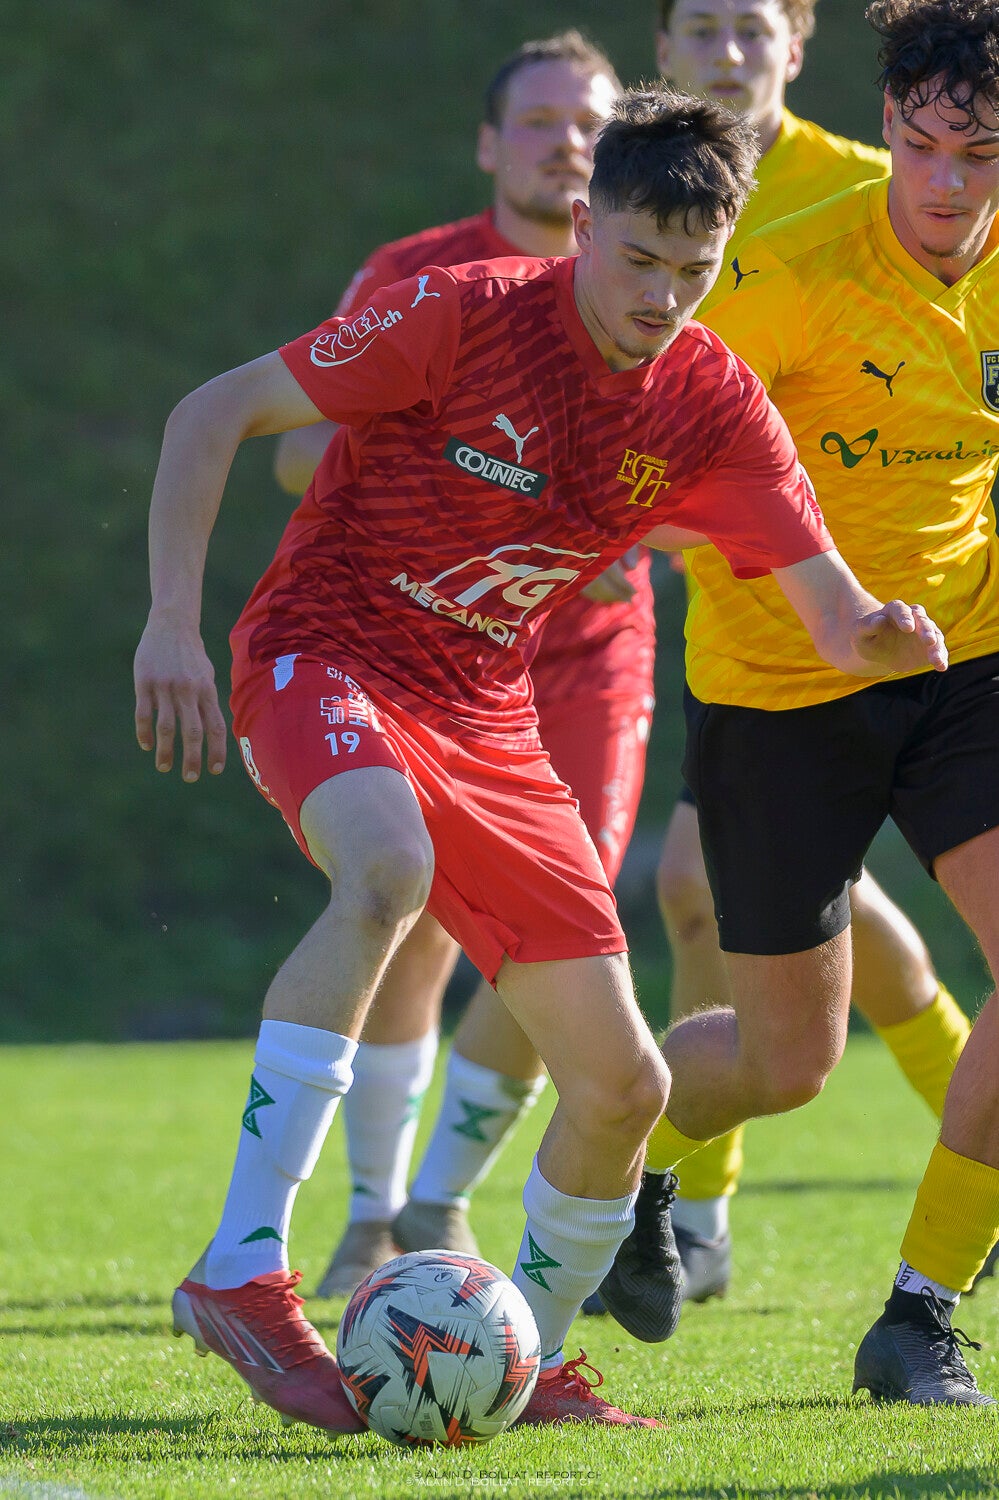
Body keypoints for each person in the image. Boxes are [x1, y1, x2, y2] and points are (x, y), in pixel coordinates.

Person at [134, 86, 946, 1433]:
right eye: (638, 259)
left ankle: (522, 1364)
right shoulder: (457, 313)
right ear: (583, 224)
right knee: (385, 873)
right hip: (326, 653)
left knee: (625, 1086)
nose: (661, 297)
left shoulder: (710, 400)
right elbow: (212, 413)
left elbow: (830, 609)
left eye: (694, 271)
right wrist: (171, 622)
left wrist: (879, 633)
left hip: (483, 715)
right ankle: (240, 1270)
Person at [598, 0, 999, 1403]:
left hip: (966, 670)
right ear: (887, 126)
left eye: (979, 155)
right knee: (784, 1064)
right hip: (780, 693)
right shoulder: (787, 275)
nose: (943, 182)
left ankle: (919, 1313)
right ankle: (637, 1166)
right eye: (921, 146)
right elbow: (640, 481)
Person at [273, 31, 660, 1302]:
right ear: (490, 145)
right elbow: (291, 446)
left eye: (592, 125)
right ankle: (370, 1215)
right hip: (426, 639)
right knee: (413, 906)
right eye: (540, 122)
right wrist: (460, 492)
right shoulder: (419, 276)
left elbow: (709, 469)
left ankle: (440, 1198)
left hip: (587, 652)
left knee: (574, 926)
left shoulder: (665, 281)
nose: (567, 145)